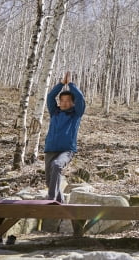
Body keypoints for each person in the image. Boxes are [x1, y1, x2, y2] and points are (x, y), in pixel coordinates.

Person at [44, 71, 85, 204]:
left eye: (68, 101)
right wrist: (61, 84)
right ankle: (60, 204)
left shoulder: (76, 114)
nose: (64, 103)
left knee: (57, 165)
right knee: (50, 182)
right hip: (50, 149)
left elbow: (81, 98)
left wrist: (71, 84)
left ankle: (50, 199)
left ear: (73, 103)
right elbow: (50, 97)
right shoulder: (54, 112)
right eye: (62, 100)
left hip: (66, 150)